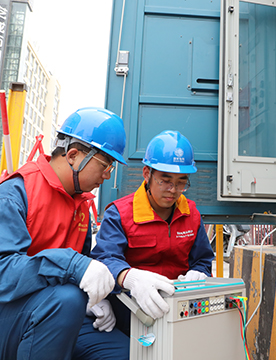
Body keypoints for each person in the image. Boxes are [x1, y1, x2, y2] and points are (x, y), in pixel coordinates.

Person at [0, 107, 129, 360]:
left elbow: (79, 269)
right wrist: (71, 266)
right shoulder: (15, 194)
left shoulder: (81, 206)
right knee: (65, 300)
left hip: (42, 311)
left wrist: (96, 296)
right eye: (105, 164)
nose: (107, 175)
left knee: (123, 352)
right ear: (74, 155)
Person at [78, 130, 214, 356]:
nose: (173, 190)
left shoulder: (192, 214)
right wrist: (129, 277)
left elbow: (202, 260)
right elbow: (104, 259)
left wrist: (199, 273)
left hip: (177, 310)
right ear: (146, 174)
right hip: (129, 312)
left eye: (181, 183)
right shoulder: (120, 213)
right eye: (165, 180)